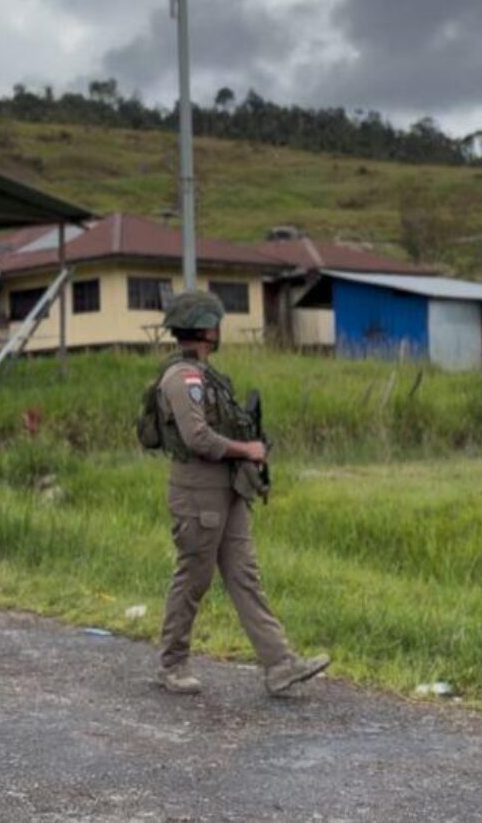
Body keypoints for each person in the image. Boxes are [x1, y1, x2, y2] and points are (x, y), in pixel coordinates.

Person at [147, 288, 330, 696]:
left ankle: (280, 665)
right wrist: (247, 449)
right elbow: (197, 437)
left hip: (227, 489)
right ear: (204, 328)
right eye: (215, 322)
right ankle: (171, 664)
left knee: (245, 576)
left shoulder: (205, 374)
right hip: (198, 492)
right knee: (194, 577)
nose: (218, 329)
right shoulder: (183, 378)